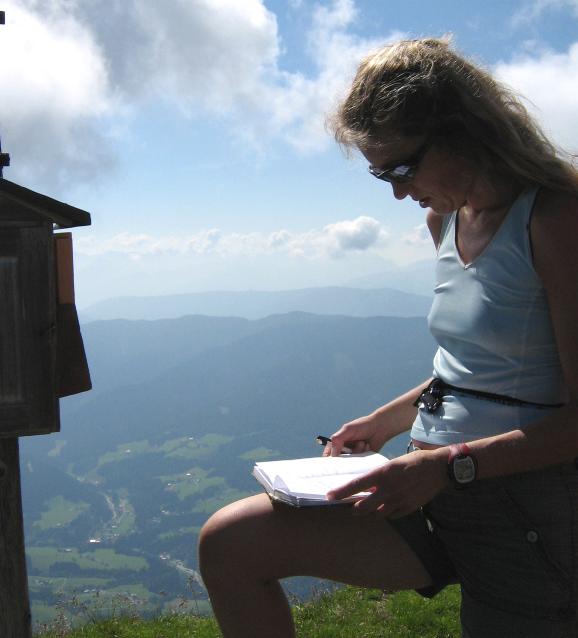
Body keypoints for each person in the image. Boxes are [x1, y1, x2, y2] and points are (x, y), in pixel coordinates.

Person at [198, 37, 578, 638]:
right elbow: (473, 367)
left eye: (401, 168)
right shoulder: (445, 220)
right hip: (429, 487)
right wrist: (385, 422)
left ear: (460, 133)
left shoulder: (556, 219)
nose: (398, 192)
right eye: (381, 174)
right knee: (231, 545)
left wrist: (448, 467)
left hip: (525, 505)